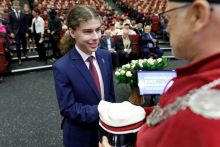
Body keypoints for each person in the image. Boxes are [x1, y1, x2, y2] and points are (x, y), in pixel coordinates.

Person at [100, 0, 220, 146]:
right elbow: (173, 108)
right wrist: (142, 112)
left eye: (169, 18)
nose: (167, 29)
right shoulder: (202, 76)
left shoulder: (201, 120)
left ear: (198, 16)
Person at [52, 5, 116, 147]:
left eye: (98, 30)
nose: (96, 37)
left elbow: (110, 94)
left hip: (107, 131)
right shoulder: (62, 67)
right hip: (80, 136)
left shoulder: (105, 55)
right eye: (88, 32)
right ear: (73, 33)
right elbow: (68, 108)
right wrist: (104, 109)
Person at [8, 0, 29, 65]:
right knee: (17, 45)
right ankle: (19, 58)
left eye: (17, 5)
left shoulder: (23, 14)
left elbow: (26, 24)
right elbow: (10, 24)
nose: (16, 6)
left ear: (19, 6)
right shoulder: (10, 14)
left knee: (24, 44)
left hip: (23, 31)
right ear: (13, 6)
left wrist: (27, 32)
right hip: (15, 32)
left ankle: (24, 52)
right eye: (15, 5)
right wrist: (11, 32)